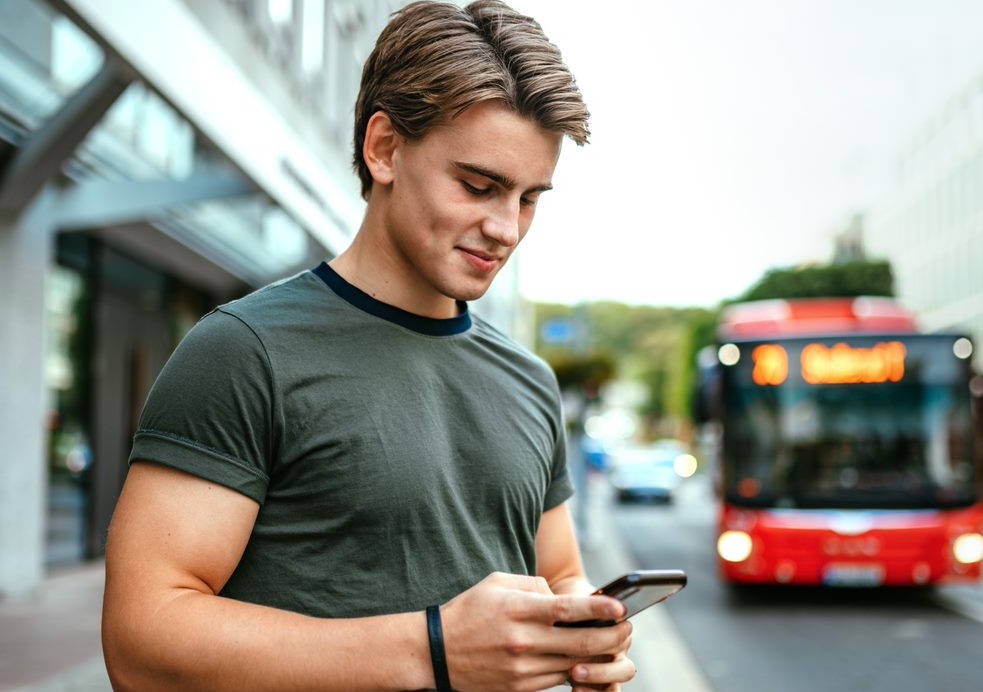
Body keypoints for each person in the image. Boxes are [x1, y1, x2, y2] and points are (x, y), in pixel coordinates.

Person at [101, 1, 637, 690]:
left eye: (530, 198)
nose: (506, 227)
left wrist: (590, 635)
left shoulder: (530, 380)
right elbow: (141, 642)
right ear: (383, 148)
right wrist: (434, 650)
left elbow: (560, 572)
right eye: (480, 186)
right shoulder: (244, 351)